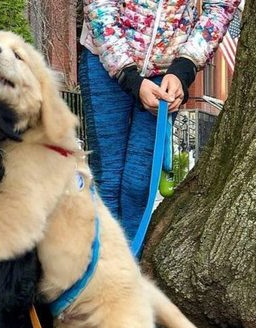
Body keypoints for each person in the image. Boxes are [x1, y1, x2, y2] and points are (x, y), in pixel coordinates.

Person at [79, 0, 241, 242]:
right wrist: (130, 77)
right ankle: (101, 266)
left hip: (166, 73)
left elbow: (221, 7)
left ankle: (130, 264)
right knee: (108, 180)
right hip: (106, 59)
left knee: (138, 183)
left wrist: (184, 69)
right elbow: (99, 6)